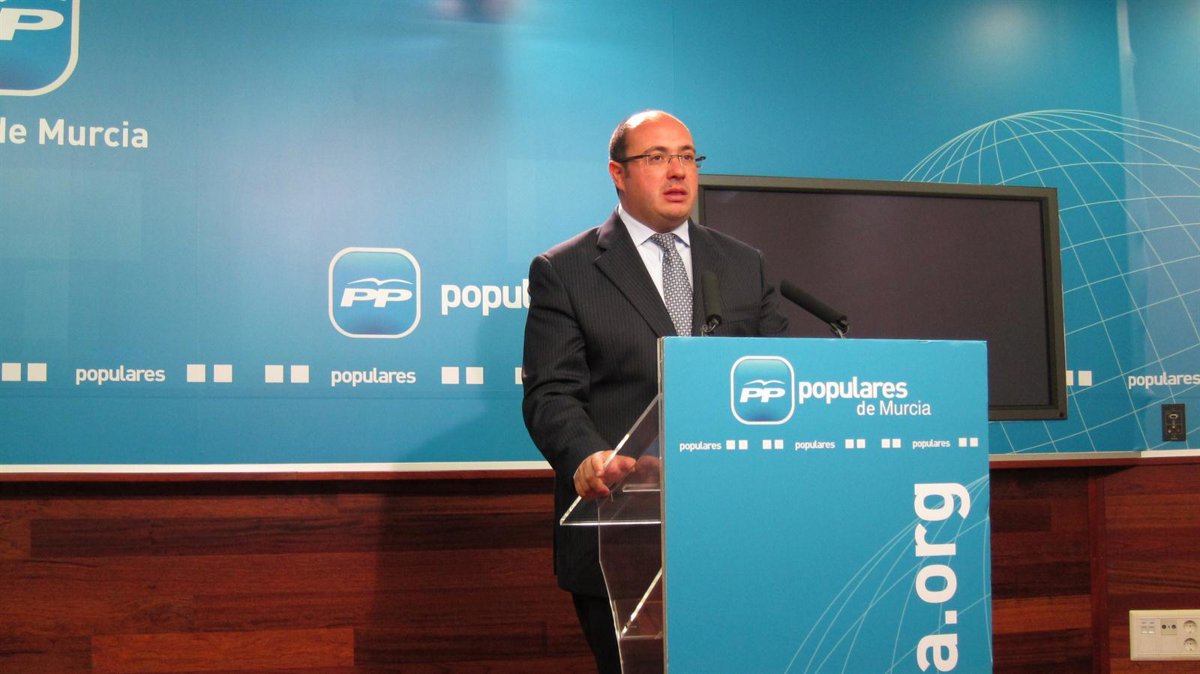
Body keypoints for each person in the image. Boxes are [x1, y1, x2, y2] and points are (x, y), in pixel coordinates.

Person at [521, 110, 788, 673]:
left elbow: (785, 376)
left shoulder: (745, 265)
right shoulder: (566, 269)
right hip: (622, 526)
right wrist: (587, 456)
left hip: (736, 529)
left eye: (687, 157)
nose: (678, 171)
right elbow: (551, 392)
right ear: (618, 173)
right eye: (657, 157)